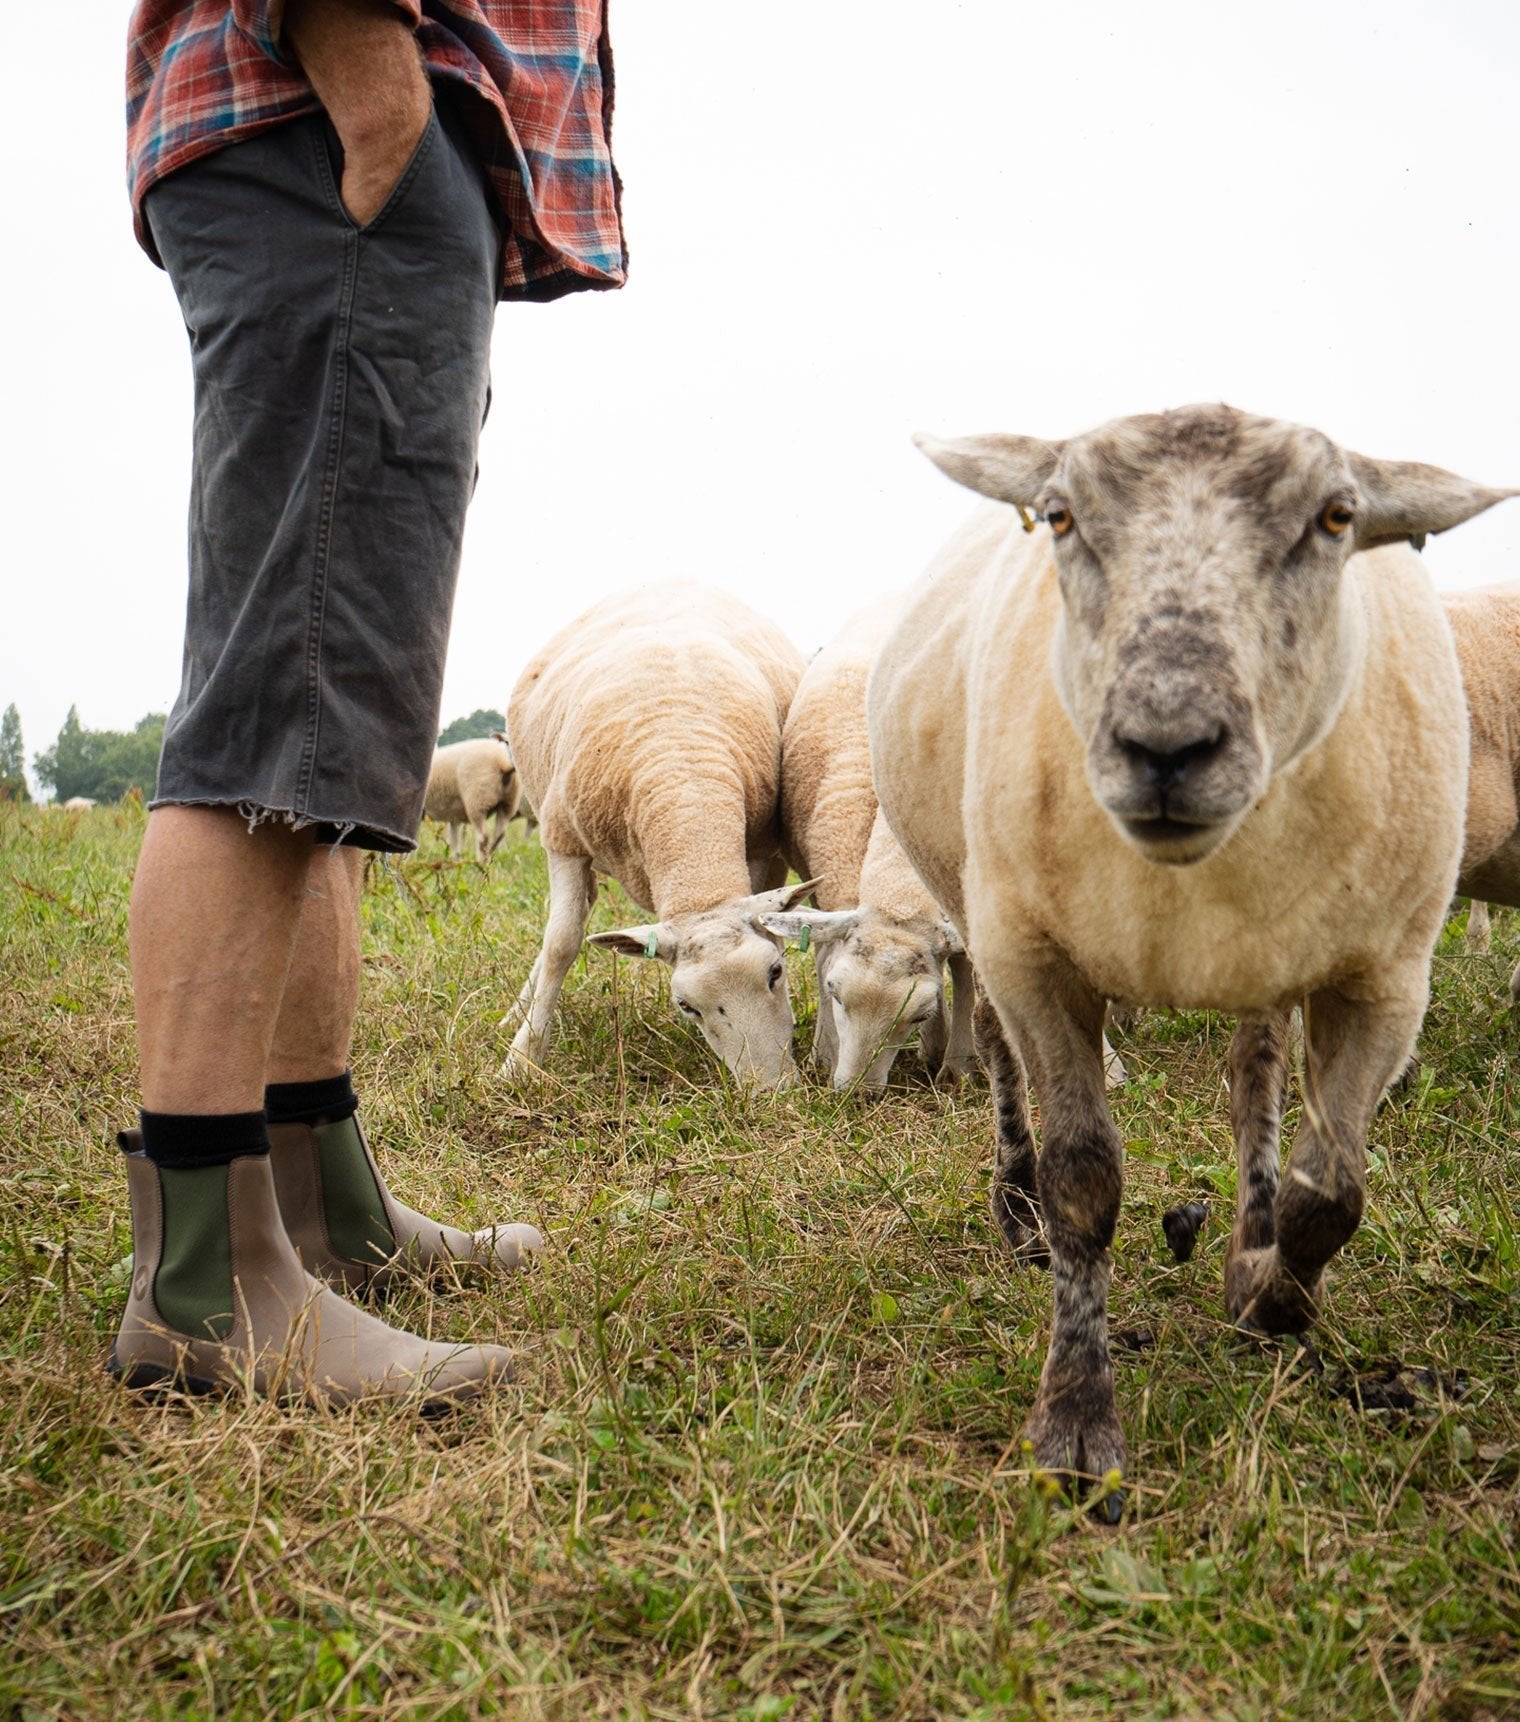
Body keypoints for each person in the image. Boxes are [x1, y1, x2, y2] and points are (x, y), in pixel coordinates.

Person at [113, 0, 626, 1407]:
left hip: (338, 131)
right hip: (330, 106)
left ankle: (316, 1203)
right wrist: (367, 69)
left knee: (322, 713)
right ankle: (211, 1284)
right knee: (278, 702)